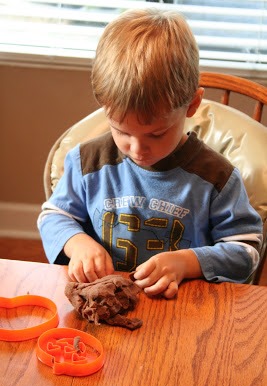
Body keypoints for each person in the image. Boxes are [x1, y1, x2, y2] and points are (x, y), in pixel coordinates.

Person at [38, 8, 263, 299]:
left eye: (157, 134)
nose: (137, 148)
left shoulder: (216, 177)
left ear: (192, 105)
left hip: (183, 310)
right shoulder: (88, 163)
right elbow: (53, 216)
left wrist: (188, 263)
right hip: (103, 303)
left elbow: (246, 250)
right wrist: (77, 241)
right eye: (121, 131)